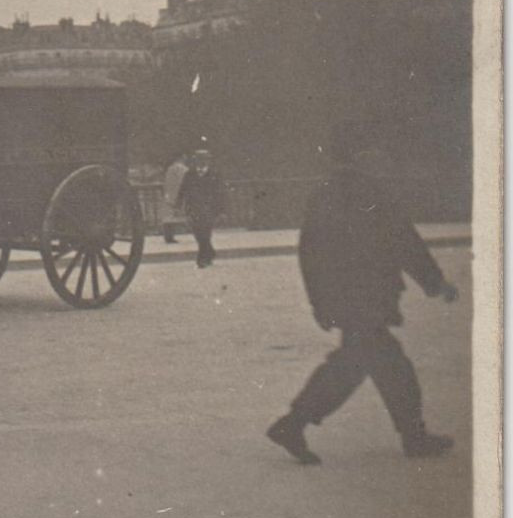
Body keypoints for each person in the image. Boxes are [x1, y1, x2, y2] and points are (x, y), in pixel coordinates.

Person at [266, 127, 458, 465]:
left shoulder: (326, 192)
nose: (382, 155)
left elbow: (309, 252)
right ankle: (295, 424)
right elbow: (404, 242)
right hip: (368, 296)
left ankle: (294, 424)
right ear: (362, 155)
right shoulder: (373, 191)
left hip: (347, 298)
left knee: (360, 365)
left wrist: (319, 302)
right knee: (385, 366)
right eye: (375, 149)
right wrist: (435, 282)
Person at [177, 148, 225, 267]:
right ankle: (210, 252)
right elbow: (183, 189)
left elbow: (221, 193)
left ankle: (202, 259)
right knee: (197, 232)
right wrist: (178, 204)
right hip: (194, 207)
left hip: (210, 208)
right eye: (199, 160)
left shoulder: (215, 174)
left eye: (204, 160)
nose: (201, 162)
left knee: (206, 232)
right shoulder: (189, 174)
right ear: (195, 161)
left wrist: (222, 210)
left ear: (208, 161)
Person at [161, 151, 189, 244]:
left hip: (169, 193)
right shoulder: (182, 168)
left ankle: (168, 235)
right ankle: (170, 236)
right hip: (178, 193)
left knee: (168, 216)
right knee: (174, 215)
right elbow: (184, 181)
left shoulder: (170, 168)